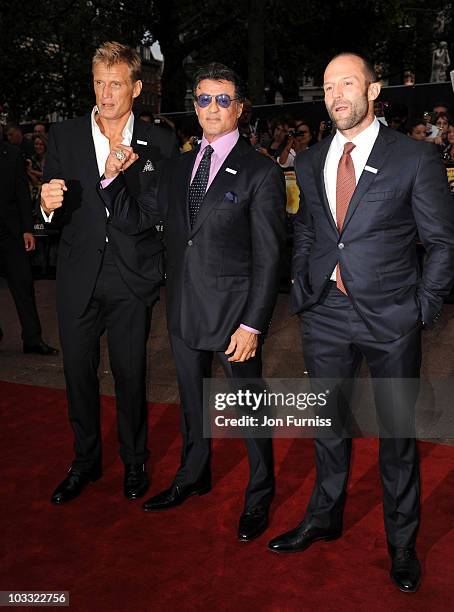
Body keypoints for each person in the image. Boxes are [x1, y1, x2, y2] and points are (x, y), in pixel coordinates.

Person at [267, 52, 454, 593]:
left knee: (396, 436)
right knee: (328, 425)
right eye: (328, 86)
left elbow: (442, 242)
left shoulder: (414, 158)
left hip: (392, 317)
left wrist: (422, 308)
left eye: (347, 83)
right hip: (324, 314)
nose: (336, 94)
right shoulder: (310, 158)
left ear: (373, 90)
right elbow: (306, 228)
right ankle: (324, 516)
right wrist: (303, 286)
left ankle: (402, 542)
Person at [104, 62, 286, 541]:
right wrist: (112, 178)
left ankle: (260, 493)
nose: (212, 108)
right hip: (184, 307)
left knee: (249, 409)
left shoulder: (261, 171)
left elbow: (270, 258)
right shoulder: (178, 166)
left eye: (223, 99)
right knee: (191, 405)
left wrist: (253, 325)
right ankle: (193, 475)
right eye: (204, 99)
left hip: (234, 317)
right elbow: (138, 219)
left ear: (240, 109)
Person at [39, 41, 179, 505]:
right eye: (99, 83)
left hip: (130, 276)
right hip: (78, 276)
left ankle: (135, 461)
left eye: (115, 84)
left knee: (129, 374)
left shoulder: (158, 141)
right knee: (78, 373)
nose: (105, 93)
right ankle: (85, 461)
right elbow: (53, 204)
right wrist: (45, 206)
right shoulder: (64, 137)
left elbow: (158, 213)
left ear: (136, 87)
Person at [0, 139, 58, 355]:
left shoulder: (12, 153)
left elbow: (22, 193)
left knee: (24, 286)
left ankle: (33, 339)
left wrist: (27, 229)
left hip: (11, 234)